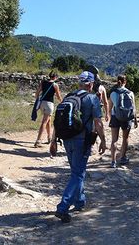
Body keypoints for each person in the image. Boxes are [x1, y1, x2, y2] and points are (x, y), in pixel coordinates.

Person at [54, 71, 107, 223]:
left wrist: (53, 141)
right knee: (78, 174)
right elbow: (98, 122)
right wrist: (102, 140)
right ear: (90, 84)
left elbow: (57, 121)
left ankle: (80, 201)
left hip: (66, 139)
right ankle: (63, 207)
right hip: (82, 141)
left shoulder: (68, 96)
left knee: (76, 171)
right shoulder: (92, 98)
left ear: (80, 83)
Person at [108, 75, 138, 168]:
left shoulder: (113, 93)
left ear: (117, 81)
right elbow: (134, 108)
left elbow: (109, 108)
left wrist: (109, 116)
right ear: (125, 82)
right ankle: (122, 158)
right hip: (127, 117)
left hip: (115, 116)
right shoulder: (130, 93)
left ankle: (113, 161)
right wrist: (136, 120)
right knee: (125, 138)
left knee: (114, 139)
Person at [34, 71, 62, 147]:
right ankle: (38, 141)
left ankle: (49, 138)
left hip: (42, 104)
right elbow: (58, 96)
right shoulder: (55, 85)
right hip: (49, 104)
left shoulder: (43, 83)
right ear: (55, 77)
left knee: (48, 121)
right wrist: (62, 102)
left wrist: (37, 101)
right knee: (44, 122)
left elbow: (37, 93)